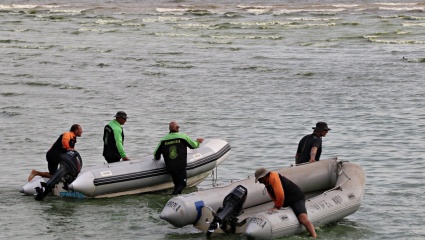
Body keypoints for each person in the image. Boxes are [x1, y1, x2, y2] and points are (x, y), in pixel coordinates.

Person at [254, 168, 317, 238]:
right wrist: (276, 207)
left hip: (296, 198)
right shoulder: (268, 182)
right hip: (286, 200)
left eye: (260, 180)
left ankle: (314, 236)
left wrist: (277, 207)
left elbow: (280, 195)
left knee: (302, 218)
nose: (260, 182)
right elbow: (273, 196)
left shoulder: (273, 178)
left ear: (264, 176)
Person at [153, 121, 204, 195]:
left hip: (170, 167)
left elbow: (156, 154)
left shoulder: (163, 140)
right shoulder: (183, 137)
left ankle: (176, 194)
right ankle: (173, 197)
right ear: (177, 128)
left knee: (177, 184)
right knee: (182, 184)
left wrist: (157, 159)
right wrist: (198, 141)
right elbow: (194, 146)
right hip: (180, 166)